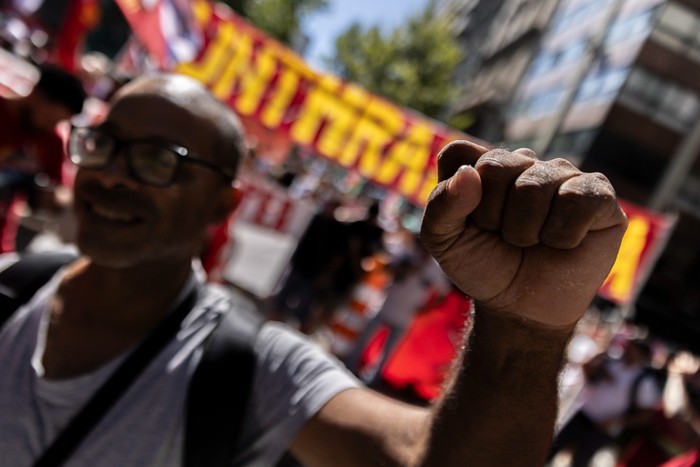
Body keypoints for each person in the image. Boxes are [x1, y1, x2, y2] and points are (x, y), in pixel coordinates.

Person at [0, 73, 628, 466]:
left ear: (226, 202)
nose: (110, 174)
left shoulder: (251, 368)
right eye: (103, 144)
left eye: (159, 160)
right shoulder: (13, 284)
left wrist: (521, 333)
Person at [0, 63, 86, 252]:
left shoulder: (52, 140)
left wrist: (54, 198)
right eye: (50, 120)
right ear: (36, 95)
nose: (51, 127)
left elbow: (62, 191)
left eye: (56, 123)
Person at [549, 338, 663, 466]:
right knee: (551, 449)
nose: (627, 349)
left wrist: (617, 421)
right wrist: (599, 358)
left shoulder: (644, 381)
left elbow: (645, 416)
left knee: (579, 461)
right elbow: (587, 369)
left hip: (601, 429)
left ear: (640, 353)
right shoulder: (611, 363)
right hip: (582, 416)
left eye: (632, 348)